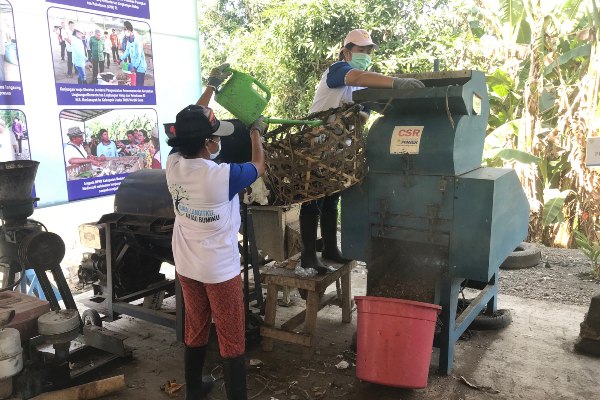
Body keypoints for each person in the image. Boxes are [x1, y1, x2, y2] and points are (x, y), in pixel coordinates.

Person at [300, 28, 426, 274]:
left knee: (331, 198)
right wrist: (396, 83)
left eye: (369, 51)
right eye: (361, 50)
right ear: (346, 52)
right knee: (313, 199)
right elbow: (355, 78)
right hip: (317, 143)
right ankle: (307, 256)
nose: (366, 54)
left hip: (338, 148)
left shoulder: (364, 85)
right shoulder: (338, 70)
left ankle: (329, 248)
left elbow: (365, 116)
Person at [166, 100, 267, 400]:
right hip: (219, 270)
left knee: (196, 325)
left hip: (186, 263)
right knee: (232, 335)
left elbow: (187, 127)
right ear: (207, 143)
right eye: (215, 137)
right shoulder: (220, 176)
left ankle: (194, 391)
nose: (219, 141)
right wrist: (256, 134)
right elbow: (259, 166)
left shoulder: (173, 164)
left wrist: (209, 90)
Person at [120, 21, 147, 86]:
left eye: (125, 29)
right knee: (135, 83)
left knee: (139, 85)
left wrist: (134, 67)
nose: (124, 31)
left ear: (129, 30)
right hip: (134, 65)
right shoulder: (129, 41)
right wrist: (120, 59)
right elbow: (127, 51)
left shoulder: (137, 40)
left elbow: (139, 55)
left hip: (140, 67)